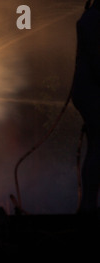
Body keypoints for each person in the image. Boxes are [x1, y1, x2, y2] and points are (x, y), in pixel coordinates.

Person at [71, 0, 100, 218]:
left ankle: (90, 204)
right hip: (91, 90)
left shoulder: (90, 18)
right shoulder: (92, 20)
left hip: (88, 90)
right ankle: (90, 205)